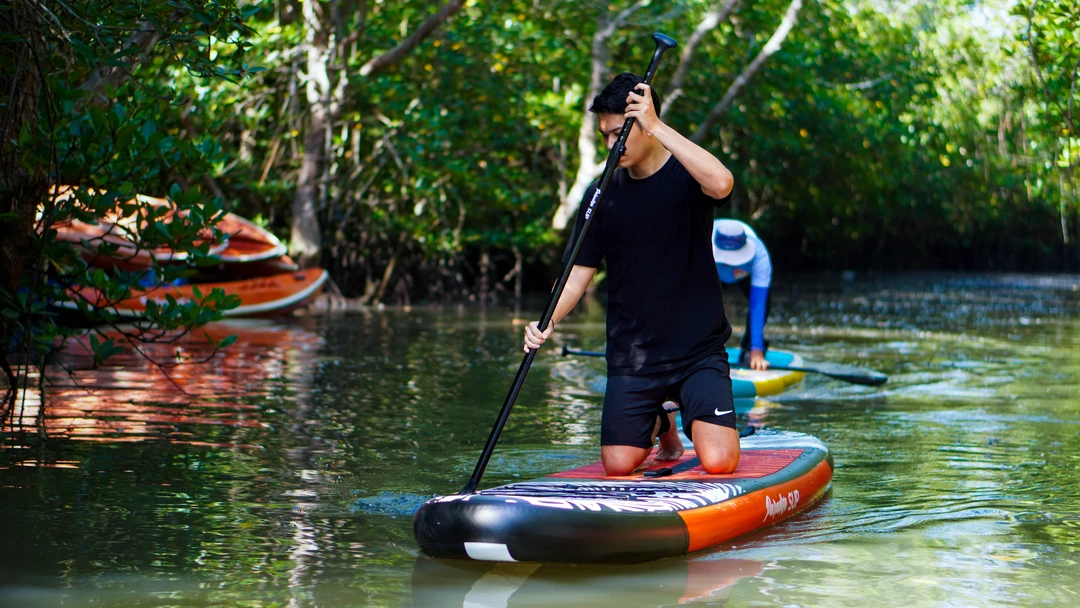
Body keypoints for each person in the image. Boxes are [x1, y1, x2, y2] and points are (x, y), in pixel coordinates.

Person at [523, 72, 738, 476]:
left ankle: (686, 411)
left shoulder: (687, 174)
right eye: (605, 135)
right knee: (618, 464)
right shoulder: (602, 192)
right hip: (634, 357)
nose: (611, 145)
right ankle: (660, 421)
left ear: (646, 125)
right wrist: (545, 321)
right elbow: (576, 274)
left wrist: (657, 124)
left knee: (720, 462)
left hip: (698, 350)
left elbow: (723, 184)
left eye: (619, 133)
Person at [711, 219, 772, 371]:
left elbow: (758, 304)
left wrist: (757, 350)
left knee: (766, 302)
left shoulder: (759, 255)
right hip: (711, 270)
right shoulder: (698, 246)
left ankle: (748, 350)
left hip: (745, 274)